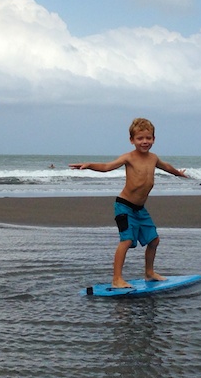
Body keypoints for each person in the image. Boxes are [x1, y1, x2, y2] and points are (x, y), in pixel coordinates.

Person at [69, 118, 189, 288]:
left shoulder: (153, 158)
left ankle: (149, 273)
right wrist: (89, 165)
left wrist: (178, 173)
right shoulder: (129, 157)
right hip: (124, 207)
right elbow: (106, 166)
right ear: (132, 140)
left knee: (154, 240)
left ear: (154, 139)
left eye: (148, 138)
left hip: (140, 210)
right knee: (126, 241)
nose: (145, 141)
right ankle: (116, 278)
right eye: (140, 138)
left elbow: (166, 166)